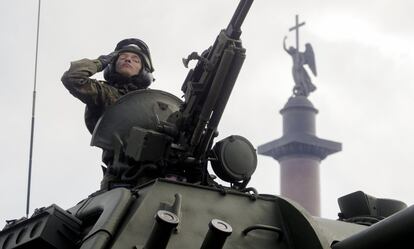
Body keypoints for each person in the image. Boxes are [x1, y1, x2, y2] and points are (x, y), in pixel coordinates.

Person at [61, 38, 155, 189]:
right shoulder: (105, 93)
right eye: (122, 58)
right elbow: (72, 78)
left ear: (144, 71)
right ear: (112, 65)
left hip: (162, 173)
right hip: (123, 178)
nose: (128, 60)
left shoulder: (154, 102)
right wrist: (101, 62)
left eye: (135, 60)